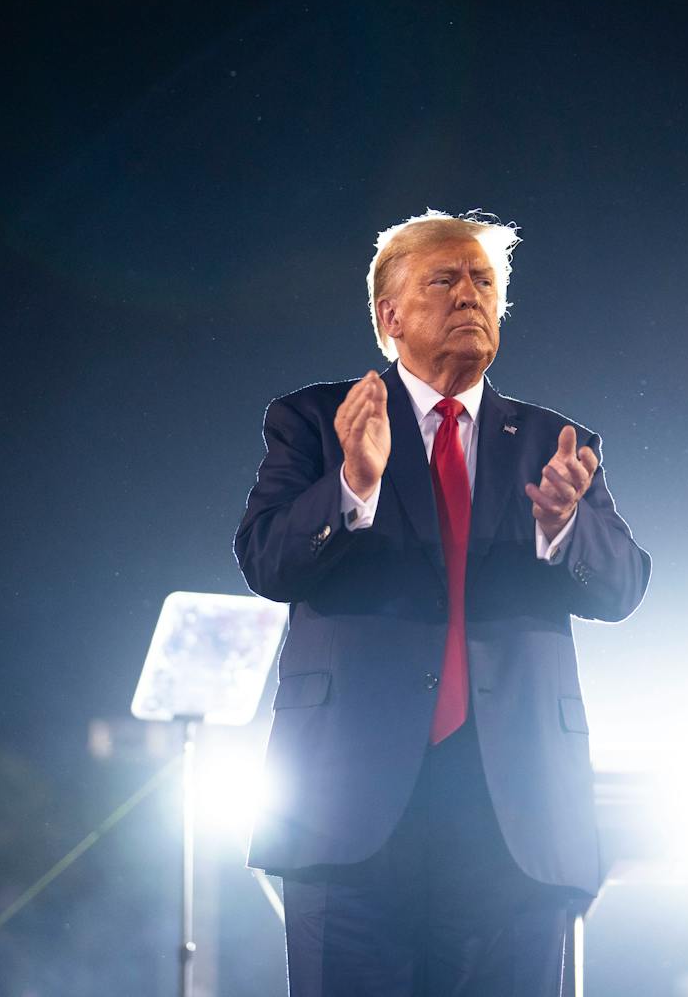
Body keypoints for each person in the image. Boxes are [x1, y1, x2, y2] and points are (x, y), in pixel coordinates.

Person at [235, 209, 652, 996]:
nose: (471, 295)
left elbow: (626, 585)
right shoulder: (319, 423)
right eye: (444, 279)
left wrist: (565, 530)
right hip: (347, 812)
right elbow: (265, 560)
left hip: (516, 815)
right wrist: (353, 484)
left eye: (485, 281)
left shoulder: (552, 442)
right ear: (389, 316)